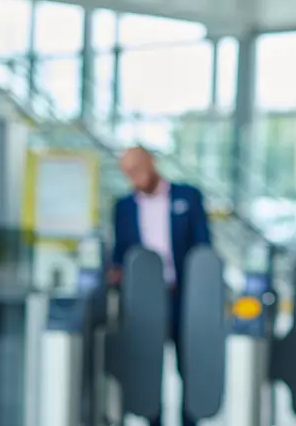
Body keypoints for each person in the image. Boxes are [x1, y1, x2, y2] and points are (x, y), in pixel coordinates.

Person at [108, 146, 211, 426]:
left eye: (137, 168)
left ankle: (190, 421)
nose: (134, 176)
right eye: (128, 171)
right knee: (148, 365)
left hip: (184, 295)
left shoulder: (187, 197)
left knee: (189, 364)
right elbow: (120, 254)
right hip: (145, 299)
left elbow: (203, 248)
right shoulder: (123, 207)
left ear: (152, 162)